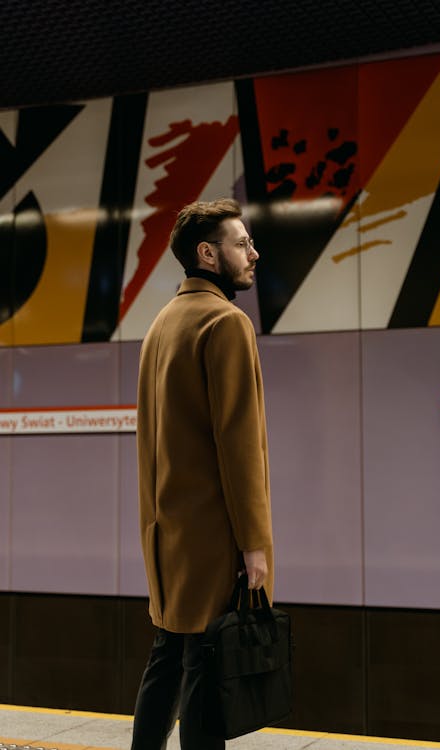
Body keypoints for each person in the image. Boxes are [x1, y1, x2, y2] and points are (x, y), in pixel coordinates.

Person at [131, 198, 274, 750]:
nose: (253, 254)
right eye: (242, 244)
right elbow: (239, 447)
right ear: (208, 253)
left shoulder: (160, 327)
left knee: (167, 659)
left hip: (166, 537)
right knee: (207, 677)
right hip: (214, 538)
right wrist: (254, 543)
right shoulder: (226, 323)